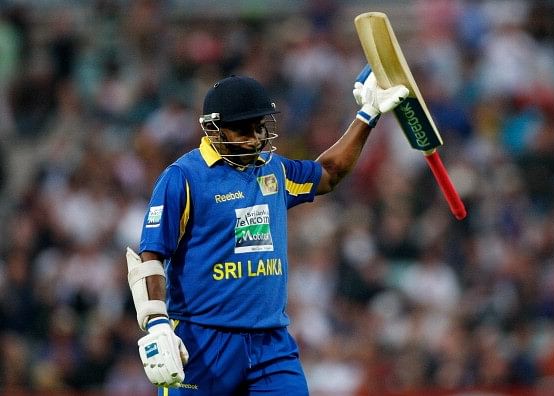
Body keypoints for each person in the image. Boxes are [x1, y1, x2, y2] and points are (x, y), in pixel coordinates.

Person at [126, 66, 409, 395]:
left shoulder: (273, 169)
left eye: (260, 127)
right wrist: (157, 323)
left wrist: (368, 113)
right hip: (201, 341)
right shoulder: (184, 177)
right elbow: (151, 255)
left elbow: (328, 173)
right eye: (244, 130)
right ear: (214, 130)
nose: (257, 138)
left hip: (270, 343)